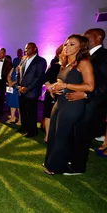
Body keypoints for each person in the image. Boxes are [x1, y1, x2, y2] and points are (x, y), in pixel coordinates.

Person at [44, 34, 94, 175]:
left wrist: (66, 85)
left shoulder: (83, 63)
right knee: (53, 134)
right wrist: (54, 88)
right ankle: (50, 162)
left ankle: (56, 167)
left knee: (61, 136)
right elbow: (60, 83)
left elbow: (90, 86)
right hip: (60, 103)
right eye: (66, 44)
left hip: (72, 104)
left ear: (81, 47)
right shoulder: (66, 64)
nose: (67, 47)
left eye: (72, 44)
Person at [64, 29, 107, 172]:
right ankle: (71, 160)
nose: (83, 39)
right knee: (75, 133)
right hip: (78, 103)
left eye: (86, 37)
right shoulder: (84, 56)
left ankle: (78, 167)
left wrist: (86, 95)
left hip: (92, 104)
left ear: (99, 38)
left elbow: (104, 85)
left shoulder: (104, 56)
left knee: (82, 135)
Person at [17, 43, 47, 137]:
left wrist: (27, 88)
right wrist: (18, 86)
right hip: (21, 90)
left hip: (32, 91)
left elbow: (38, 77)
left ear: (35, 49)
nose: (26, 50)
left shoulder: (41, 61)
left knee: (31, 112)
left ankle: (33, 131)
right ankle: (24, 127)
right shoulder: (24, 59)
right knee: (23, 110)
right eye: (25, 48)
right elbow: (19, 73)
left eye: (29, 48)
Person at [42, 45, 64, 142]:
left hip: (62, 96)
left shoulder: (71, 67)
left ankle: (57, 136)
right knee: (48, 115)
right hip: (50, 94)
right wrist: (50, 88)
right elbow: (45, 79)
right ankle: (47, 136)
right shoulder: (54, 66)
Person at [6, 49, 23, 124]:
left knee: (18, 104)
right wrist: (10, 82)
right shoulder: (13, 68)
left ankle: (20, 120)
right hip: (11, 89)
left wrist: (12, 83)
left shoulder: (22, 69)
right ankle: (12, 117)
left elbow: (20, 79)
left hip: (17, 89)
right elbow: (8, 76)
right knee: (12, 103)